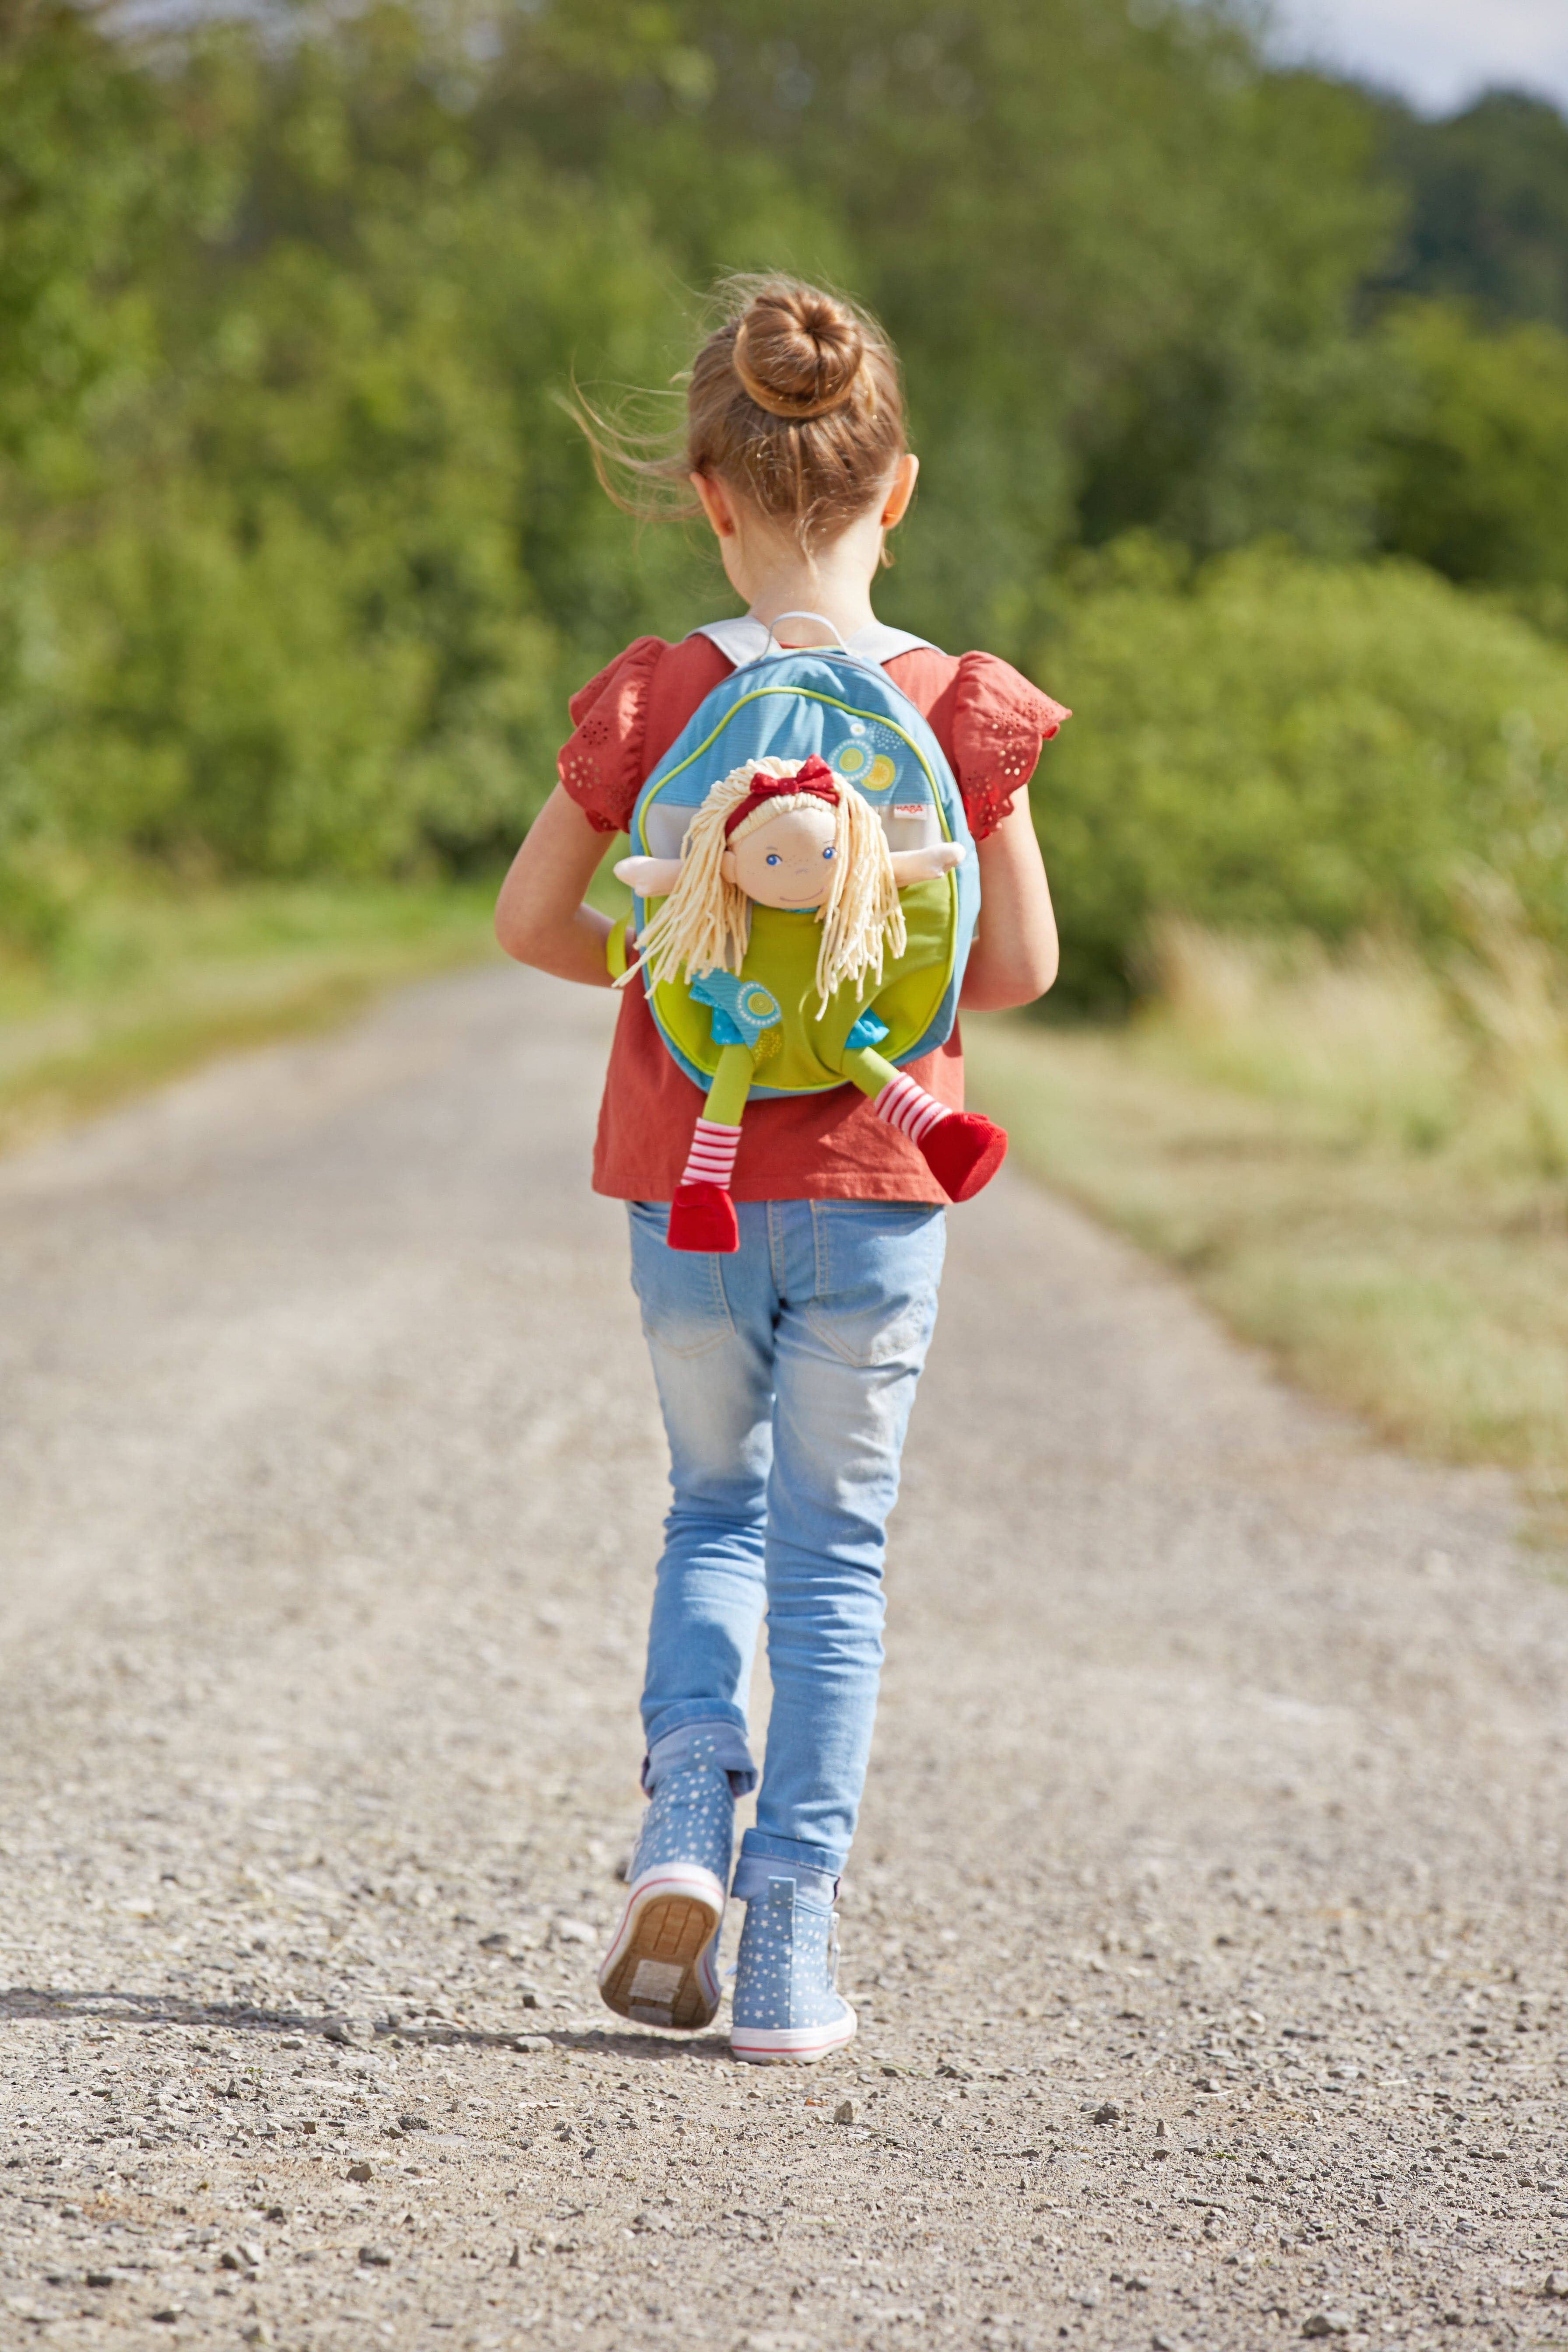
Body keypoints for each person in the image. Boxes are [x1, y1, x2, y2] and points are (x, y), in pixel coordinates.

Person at [494, 276, 1067, 2064]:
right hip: (884, 1186)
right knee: (835, 1560)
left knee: (708, 1512)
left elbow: (528, 923)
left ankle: (680, 1826)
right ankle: (792, 1945)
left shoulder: (660, 692)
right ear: (897, 494)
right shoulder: (958, 706)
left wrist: (679, 975)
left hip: (694, 1178)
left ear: (704, 492)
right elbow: (1016, 971)